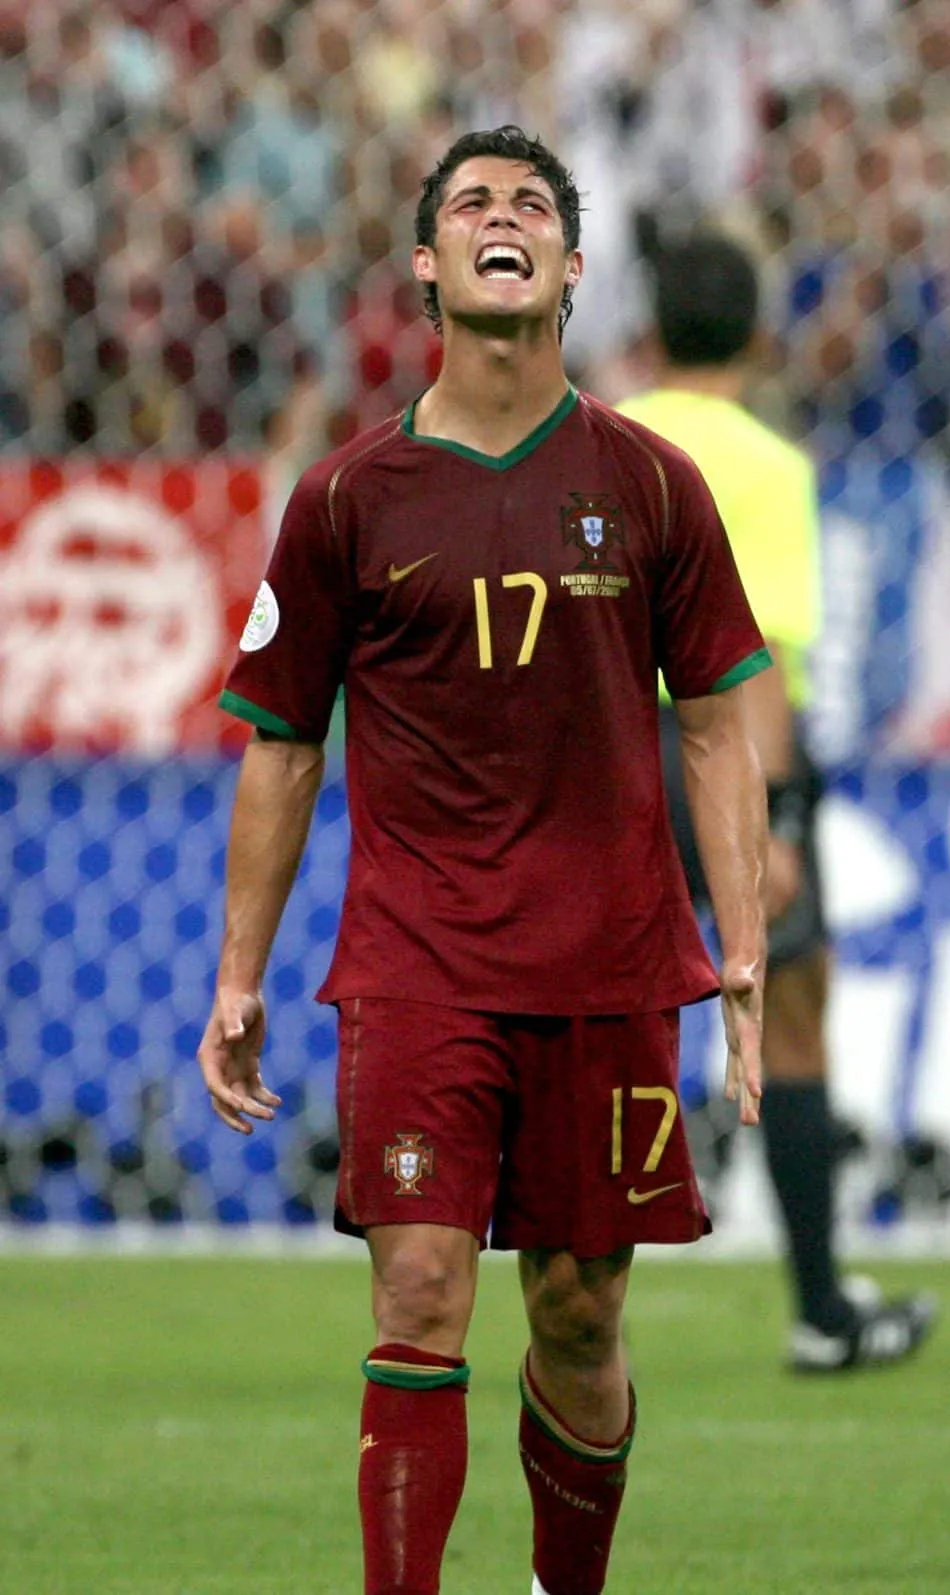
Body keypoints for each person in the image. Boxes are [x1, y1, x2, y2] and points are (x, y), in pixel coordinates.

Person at [197, 127, 772, 1595]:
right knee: (422, 1283)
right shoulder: (346, 499)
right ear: (428, 265)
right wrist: (238, 972)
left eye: (531, 206)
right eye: (472, 205)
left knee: (579, 1314)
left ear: (572, 268)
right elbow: (281, 741)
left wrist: (746, 953)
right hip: (421, 963)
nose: (500, 219)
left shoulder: (651, 486)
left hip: (611, 963)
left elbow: (715, 727)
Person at [618, 231, 938, 1370]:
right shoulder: (771, 467)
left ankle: (555, 1295)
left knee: (587, 1021)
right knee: (790, 1007)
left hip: (597, 755)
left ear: (645, 337)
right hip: (719, 749)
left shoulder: (599, 441)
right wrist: (781, 825)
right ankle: (818, 1305)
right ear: (760, 340)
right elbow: (754, 658)